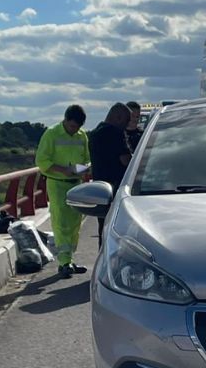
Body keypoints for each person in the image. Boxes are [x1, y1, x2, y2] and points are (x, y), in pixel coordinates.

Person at [35, 104, 90, 279]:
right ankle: (63, 262)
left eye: (78, 127)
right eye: (73, 126)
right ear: (65, 120)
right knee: (61, 222)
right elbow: (42, 160)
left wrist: (83, 169)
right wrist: (62, 169)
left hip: (76, 182)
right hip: (57, 183)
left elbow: (88, 159)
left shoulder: (82, 136)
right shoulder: (51, 134)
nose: (75, 130)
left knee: (75, 222)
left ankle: (69, 259)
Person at [87, 103, 134, 246]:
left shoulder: (95, 133)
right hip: (118, 189)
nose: (126, 126)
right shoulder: (114, 133)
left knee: (104, 228)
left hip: (101, 189)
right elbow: (126, 161)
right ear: (118, 117)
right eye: (126, 121)